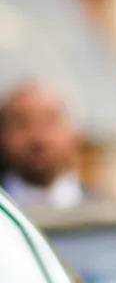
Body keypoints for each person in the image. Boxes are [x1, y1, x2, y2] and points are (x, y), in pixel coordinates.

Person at [0, 79, 86, 210]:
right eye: (22, 124)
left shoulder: (111, 215)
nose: (39, 139)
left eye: (50, 122)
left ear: (76, 135)